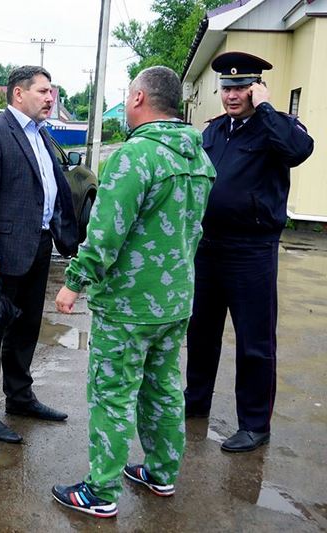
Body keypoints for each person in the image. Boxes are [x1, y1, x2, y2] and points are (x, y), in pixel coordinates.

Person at [51, 66, 216, 518]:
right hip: (175, 300)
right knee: (163, 389)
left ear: (140, 98)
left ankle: (100, 493)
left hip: (128, 305)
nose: (126, 105)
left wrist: (74, 282)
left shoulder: (134, 157)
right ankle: (161, 474)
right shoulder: (198, 158)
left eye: (127, 97)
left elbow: (105, 234)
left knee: (113, 393)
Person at [184, 51, 314, 452]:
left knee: (255, 341)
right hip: (208, 247)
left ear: (256, 88)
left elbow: (298, 151)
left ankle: (255, 424)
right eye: (227, 88)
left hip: (251, 250)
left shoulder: (277, 128)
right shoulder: (214, 131)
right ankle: (196, 403)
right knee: (201, 333)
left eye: (241, 87)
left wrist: (267, 109)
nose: (231, 95)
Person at [0, 65, 78, 444]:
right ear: (18, 94)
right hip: (4, 254)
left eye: (52, 91)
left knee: (25, 330)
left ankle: (20, 398)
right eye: (43, 91)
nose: (50, 98)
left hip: (37, 247)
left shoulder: (39, 136)